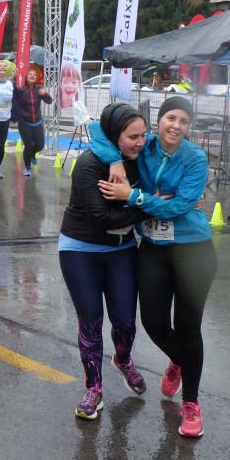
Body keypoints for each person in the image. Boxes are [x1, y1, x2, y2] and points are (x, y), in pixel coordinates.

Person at [94, 96, 216, 439]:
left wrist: (134, 198)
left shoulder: (194, 157)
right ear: (158, 121)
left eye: (184, 121)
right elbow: (96, 129)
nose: (176, 126)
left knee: (188, 327)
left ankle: (191, 404)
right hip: (153, 249)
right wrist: (115, 161)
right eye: (171, 118)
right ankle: (180, 360)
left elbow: (177, 207)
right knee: (153, 321)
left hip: (193, 250)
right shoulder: (143, 146)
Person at [59, 103, 149, 419]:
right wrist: (146, 205)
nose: (140, 142)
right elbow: (101, 218)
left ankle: (123, 359)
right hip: (80, 248)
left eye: (143, 135)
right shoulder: (89, 164)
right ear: (115, 136)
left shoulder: (141, 158)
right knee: (92, 320)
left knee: (125, 320)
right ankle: (94, 389)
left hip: (122, 249)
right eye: (132, 137)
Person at [13, 68, 53, 176]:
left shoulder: (39, 89)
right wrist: (14, 78)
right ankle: (27, 167)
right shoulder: (21, 89)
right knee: (29, 145)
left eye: (34, 75)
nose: (32, 76)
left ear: (36, 78)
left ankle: (32, 155)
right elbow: (13, 93)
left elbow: (50, 101)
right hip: (24, 122)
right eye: (30, 74)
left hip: (37, 121)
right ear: (26, 77)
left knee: (40, 145)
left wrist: (45, 94)